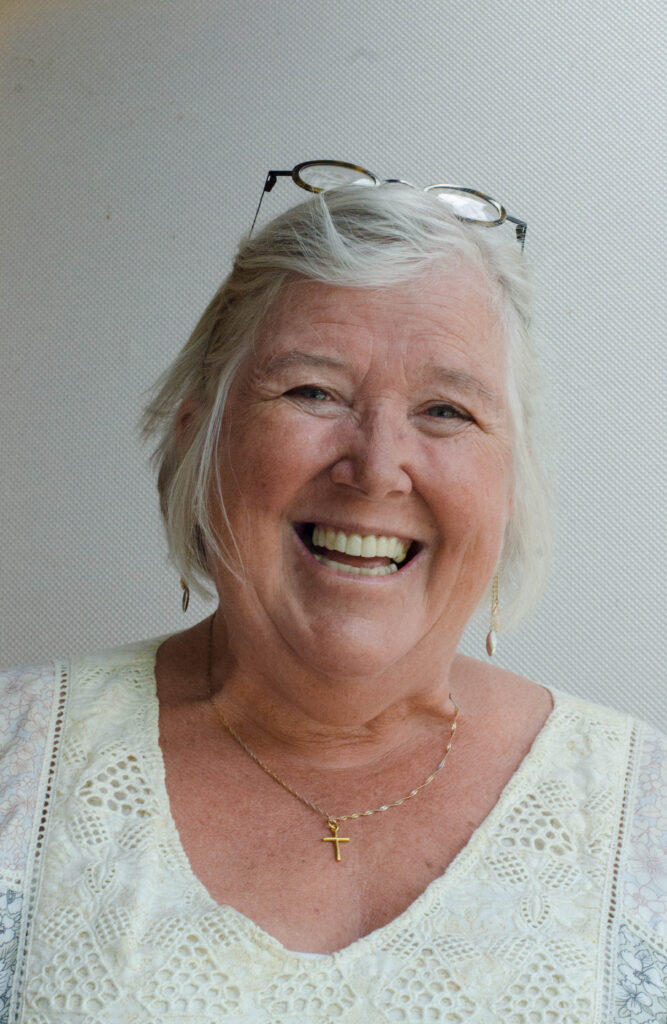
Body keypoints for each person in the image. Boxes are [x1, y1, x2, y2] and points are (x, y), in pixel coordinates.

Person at [1, 165, 665, 1022]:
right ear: (199, 438)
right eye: (313, 392)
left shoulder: (641, 823)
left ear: (510, 482)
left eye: (446, 411)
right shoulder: (19, 766)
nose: (376, 468)